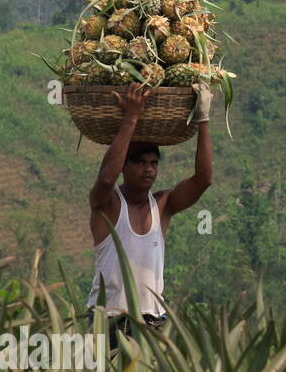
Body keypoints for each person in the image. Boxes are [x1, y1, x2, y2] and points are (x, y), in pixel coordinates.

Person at [88, 81, 213, 347]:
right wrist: (131, 118)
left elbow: (203, 180)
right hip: (108, 319)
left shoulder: (163, 204)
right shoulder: (106, 203)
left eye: (154, 163)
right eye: (141, 163)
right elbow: (106, 178)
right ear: (125, 166)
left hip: (152, 321)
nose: (149, 170)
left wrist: (202, 118)